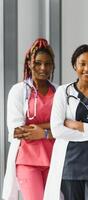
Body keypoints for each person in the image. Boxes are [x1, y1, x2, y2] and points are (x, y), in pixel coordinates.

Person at [43, 44, 88, 200]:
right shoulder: (63, 92)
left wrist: (79, 126)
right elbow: (57, 130)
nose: (87, 68)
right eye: (82, 64)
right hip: (71, 164)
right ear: (75, 65)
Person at [2, 38, 56, 200]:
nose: (43, 68)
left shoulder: (59, 92)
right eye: (38, 63)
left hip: (54, 159)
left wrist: (42, 132)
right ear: (29, 64)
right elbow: (17, 131)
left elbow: (65, 127)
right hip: (27, 160)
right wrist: (52, 128)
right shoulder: (18, 91)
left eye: (47, 64)